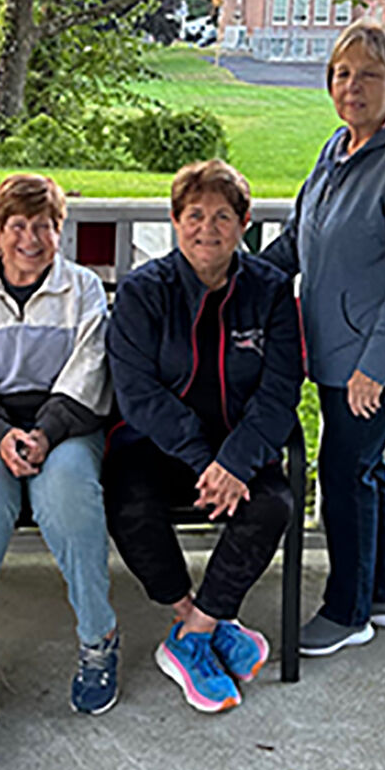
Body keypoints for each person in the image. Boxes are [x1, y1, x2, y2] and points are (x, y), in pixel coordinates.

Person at [263, 21, 385, 657]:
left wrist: (377, 366)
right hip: (336, 348)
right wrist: (239, 273)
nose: (352, 86)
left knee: (343, 474)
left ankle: (347, 611)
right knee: (368, 470)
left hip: (373, 358)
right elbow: (299, 237)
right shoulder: (337, 148)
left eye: (368, 75)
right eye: (342, 74)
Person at [105, 159, 302, 713]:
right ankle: (192, 613)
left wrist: (235, 464)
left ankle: (196, 631)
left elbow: (280, 391)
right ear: (174, 220)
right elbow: (138, 394)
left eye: (222, 215)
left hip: (240, 443)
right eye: (194, 215)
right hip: (156, 444)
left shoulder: (269, 291)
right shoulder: (145, 291)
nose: (207, 228)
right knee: (129, 506)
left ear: (243, 224)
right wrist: (202, 460)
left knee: (272, 506)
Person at [0, 174, 119, 728]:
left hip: (63, 423)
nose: (30, 239)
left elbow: (90, 373)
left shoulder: (82, 289)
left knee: (66, 490)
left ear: (61, 230)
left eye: (44, 226)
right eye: (17, 226)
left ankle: (98, 633)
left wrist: (44, 433)